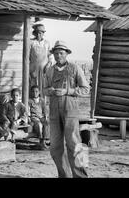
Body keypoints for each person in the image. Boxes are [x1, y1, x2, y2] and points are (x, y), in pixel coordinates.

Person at [43, 41, 90, 178]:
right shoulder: (50, 70)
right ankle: (64, 175)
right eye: (56, 53)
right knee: (55, 148)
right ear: (53, 54)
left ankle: (81, 176)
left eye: (61, 53)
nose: (58, 56)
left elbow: (85, 89)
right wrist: (49, 91)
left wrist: (67, 91)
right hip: (54, 112)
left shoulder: (75, 68)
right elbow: (44, 90)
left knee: (75, 144)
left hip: (70, 111)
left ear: (66, 54)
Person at [29, 24, 52, 95]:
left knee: (44, 86)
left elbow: (50, 56)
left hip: (44, 70)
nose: (39, 34)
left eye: (41, 33)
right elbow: (27, 57)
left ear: (43, 33)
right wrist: (30, 69)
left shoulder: (47, 43)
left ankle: (43, 103)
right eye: (37, 33)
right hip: (34, 69)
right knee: (34, 86)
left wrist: (48, 64)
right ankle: (33, 103)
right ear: (35, 33)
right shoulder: (31, 42)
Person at [28, 85, 49, 150]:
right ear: (31, 92)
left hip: (41, 116)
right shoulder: (29, 101)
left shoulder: (41, 100)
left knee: (46, 124)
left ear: (39, 92)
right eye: (33, 91)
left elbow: (45, 109)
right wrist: (29, 117)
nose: (35, 93)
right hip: (34, 117)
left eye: (36, 91)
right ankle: (40, 140)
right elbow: (28, 110)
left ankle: (43, 140)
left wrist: (46, 116)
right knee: (39, 125)